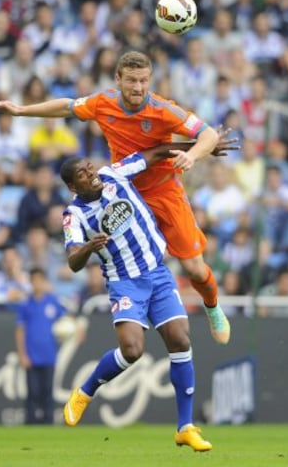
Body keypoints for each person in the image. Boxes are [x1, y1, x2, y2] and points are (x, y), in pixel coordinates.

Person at [0, 50, 233, 345]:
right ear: (118, 79)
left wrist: (192, 155)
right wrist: (21, 110)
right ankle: (136, 318)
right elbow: (67, 107)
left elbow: (208, 134)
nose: (138, 87)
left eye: (143, 80)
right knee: (125, 260)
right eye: (131, 80)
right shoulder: (103, 103)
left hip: (164, 191)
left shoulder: (164, 109)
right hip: (122, 191)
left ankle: (212, 304)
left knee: (194, 268)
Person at [58, 142, 218, 452]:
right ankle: (86, 392)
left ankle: (185, 427)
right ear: (71, 185)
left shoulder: (114, 174)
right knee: (132, 350)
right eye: (81, 173)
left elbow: (155, 153)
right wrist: (89, 248)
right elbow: (73, 261)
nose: (90, 173)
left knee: (181, 340)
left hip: (157, 273)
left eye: (89, 167)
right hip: (124, 282)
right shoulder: (73, 214)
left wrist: (201, 146)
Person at [15, 267, 67, 424]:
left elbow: (66, 321)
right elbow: (20, 331)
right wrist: (22, 354)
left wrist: (77, 328)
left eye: (40, 280)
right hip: (31, 355)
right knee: (33, 391)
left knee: (47, 391)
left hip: (49, 354)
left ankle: (48, 422)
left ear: (44, 282)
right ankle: (30, 421)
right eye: (34, 280)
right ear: (30, 282)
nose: (37, 283)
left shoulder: (52, 301)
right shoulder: (26, 304)